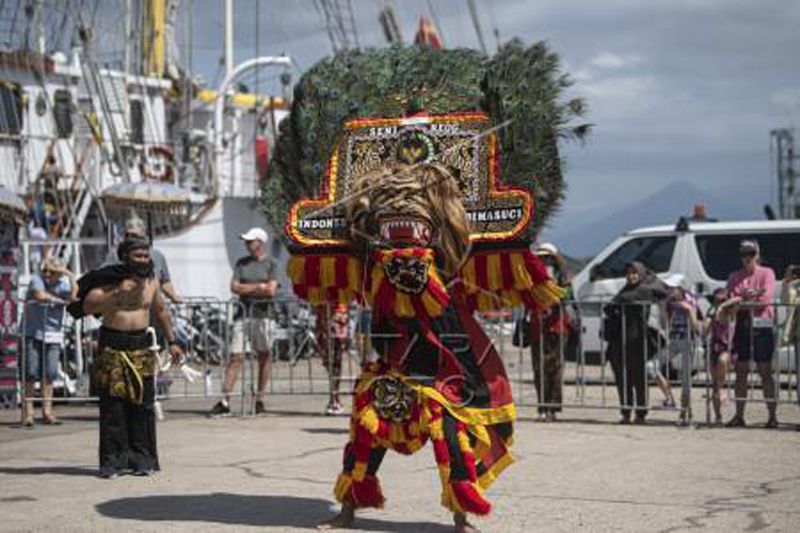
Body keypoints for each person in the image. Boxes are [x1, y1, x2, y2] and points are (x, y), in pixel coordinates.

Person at [77, 235, 183, 478]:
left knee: (142, 405)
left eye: (146, 255)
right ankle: (112, 462)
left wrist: (173, 342)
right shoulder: (111, 278)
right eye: (138, 255)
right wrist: (116, 293)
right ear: (125, 257)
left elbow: (161, 311)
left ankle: (142, 459)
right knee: (113, 407)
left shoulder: (152, 281)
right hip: (113, 345)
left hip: (141, 346)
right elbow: (88, 306)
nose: (143, 259)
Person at [209, 227, 277, 417]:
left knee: (264, 355)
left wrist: (247, 288)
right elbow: (234, 287)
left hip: (265, 316)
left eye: (250, 241)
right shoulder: (241, 263)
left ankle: (260, 398)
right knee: (235, 356)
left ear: (260, 243)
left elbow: (271, 291)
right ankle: (225, 399)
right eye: (246, 241)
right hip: (243, 315)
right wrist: (258, 286)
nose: (247, 244)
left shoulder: (272, 264)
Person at [604, 262, 668, 424]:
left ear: (641, 274)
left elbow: (663, 290)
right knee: (622, 379)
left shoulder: (644, 290)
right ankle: (626, 412)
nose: (631, 276)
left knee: (638, 379)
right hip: (619, 342)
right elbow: (609, 308)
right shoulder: (624, 291)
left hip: (638, 341)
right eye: (628, 273)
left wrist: (648, 276)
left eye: (635, 273)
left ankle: (640, 413)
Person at [725, 240, 777, 428]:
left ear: (757, 255)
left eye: (751, 254)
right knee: (741, 371)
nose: (747, 258)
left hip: (762, 324)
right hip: (742, 325)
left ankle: (772, 416)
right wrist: (747, 297)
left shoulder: (767, 272)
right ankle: (739, 416)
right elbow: (731, 298)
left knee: (765, 371)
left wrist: (743, 298)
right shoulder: (734, 275)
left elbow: (766, 298)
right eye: (744, 254)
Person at [22, 257, 77, 426]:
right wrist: (60, 301)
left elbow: (74, 295)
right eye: (45, 270)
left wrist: (68, 273)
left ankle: (47, 412)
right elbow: (39, 295)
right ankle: (28, 414)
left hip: (53, 335)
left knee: (50, 374)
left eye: (51, 271)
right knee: (31, 373)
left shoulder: (62, 283)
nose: (47, 274)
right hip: (33, 332)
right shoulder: (36, 280)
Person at [528, 243, 570, 422]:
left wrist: (554, 288)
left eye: (548, 258)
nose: (545, 261)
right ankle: (542, 406)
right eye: (542, 258)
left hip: (558, 326)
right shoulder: (531, 276)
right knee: (539, 369)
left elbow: (568, 297)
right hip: (538, 326)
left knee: (555, 368)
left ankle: (553, 407)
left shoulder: (563, 277)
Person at [103, 217, 182, 304]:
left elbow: (165, 282)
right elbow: (104, 279)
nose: (132, 240)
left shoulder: (158, 256)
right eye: (129, 236)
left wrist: (174, 297)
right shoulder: (115, 254)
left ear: (144, 235)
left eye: (136, 236)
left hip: (152, 306)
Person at [664, 283, 702, 422]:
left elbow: (697, 329)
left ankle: (685, 412)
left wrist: (689, 310)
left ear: (680, 290)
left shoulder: (690, 301)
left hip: (688, 342)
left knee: (686, 381)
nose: (670, 292)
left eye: (673, 289)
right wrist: (666, 310)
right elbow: (666, 326)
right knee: (652, 366)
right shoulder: (669, 304)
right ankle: (670, 398)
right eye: (669, 289)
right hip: (673, 342)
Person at [705, 288, 736, 425]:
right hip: (714, 348)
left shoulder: (731, 313)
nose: (720, 303)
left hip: (727, 349)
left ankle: (722, 388)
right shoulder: (712, 314)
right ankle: (718, 416)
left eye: (723, 300)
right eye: (717, 300)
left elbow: (739, 299)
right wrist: (712, 317)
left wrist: (724, 305)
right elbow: (704, 332)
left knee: (723, 361)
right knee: (714, 386)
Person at [317, 303, 350, 415]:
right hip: (323, 313)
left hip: (338, 315)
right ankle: (334, 396)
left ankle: (334, 397)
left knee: (336, 360)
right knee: (327, 360)